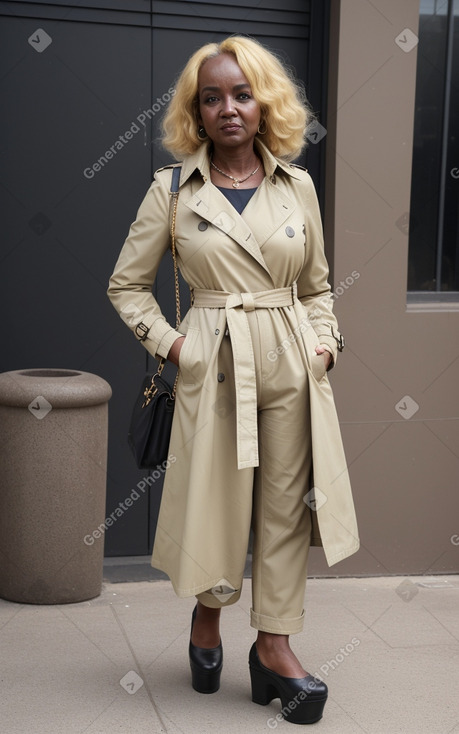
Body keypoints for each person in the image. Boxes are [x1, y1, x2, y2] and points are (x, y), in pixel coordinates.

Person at [107, 35, 359, 725]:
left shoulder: (296, 186)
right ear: (195, 110)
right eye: (211, 97)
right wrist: (175, 346)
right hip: (212, 367)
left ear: (263, 103)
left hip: (290, 362)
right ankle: (207, 622)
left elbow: (317, 287)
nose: (228, 109)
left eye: (241, 94)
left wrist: (323, 346)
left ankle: (274, 648)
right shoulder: (171, 189)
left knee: (283, 511)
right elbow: (127, 286)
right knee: (218, 507)